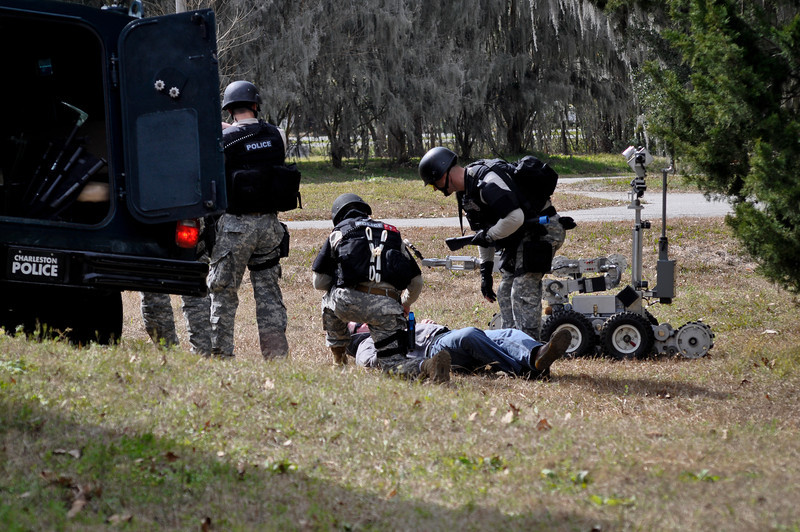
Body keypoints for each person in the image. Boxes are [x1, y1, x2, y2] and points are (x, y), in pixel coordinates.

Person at [418, 147, 570, 340]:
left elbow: (515, 217)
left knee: (522, 291)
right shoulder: (466, 192)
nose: (436, 189)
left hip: (543, 231)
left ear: (441, 175)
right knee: (505, 290)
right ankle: (512, 344)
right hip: (520, 237)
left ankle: (532, 350)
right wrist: (485, 271)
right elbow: (483, 231)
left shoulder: (486, 183)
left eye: (433, 185)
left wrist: (489, 236)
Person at [311, 193, 450, 383]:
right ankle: (426, 365)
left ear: (338, 216)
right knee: (392, 365)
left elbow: (319, 282)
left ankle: (339, 361)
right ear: (366, 211)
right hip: (388, 308)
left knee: (328, 301)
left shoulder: (340, 232)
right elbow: (416, 281)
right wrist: (404, 303)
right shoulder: (392, 233)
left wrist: (339, 285)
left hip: (348, 303)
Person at [208, 80, 290, 358]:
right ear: (256, 105)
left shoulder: (224, 140)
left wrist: (227, 132)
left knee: (223, 293)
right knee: (268, 293)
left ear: (230, 110)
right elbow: (259, 141)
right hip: (270, 226)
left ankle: (221, 355)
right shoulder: (277, 134)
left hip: (235, 229)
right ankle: (276, 358)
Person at [348, 319, 571, 380]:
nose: (364, 321)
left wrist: (428, 325)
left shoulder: (392, 322)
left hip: (444, 336)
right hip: (435, 350)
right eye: (358, 324)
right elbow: (371, 362)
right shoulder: (368, 343)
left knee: (508, 333)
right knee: (469, 335)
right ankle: (526, 371)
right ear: (358, 334)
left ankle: (537, 356)